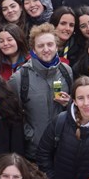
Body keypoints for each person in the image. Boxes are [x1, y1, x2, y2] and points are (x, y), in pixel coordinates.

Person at [8, 24, 73, 158]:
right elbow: (12, 114)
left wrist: (69, 103)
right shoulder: (19, 78)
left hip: (63, 148)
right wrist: (30, 135)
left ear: (56, 46)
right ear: (33, 50)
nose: (46, 49)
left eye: (50, 44)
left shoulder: (66, 71)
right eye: (40, 46)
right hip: (34, 151)